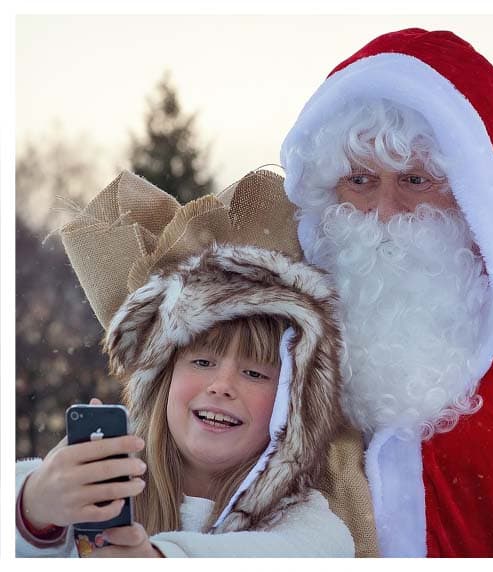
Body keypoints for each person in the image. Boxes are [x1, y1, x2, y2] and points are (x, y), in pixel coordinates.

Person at [280, 28, 493, 556]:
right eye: (360, 180)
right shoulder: (281, 318)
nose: (384, 211)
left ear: (473, 196)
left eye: (415, 181)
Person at [16, 171, 354, 557]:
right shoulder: (97, 491)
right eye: (203, 361)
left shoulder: (310, 528)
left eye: (255, 373)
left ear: (291, 406)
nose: (222, 385)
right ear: (162, 377)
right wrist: (34, 507)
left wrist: (157, 558)